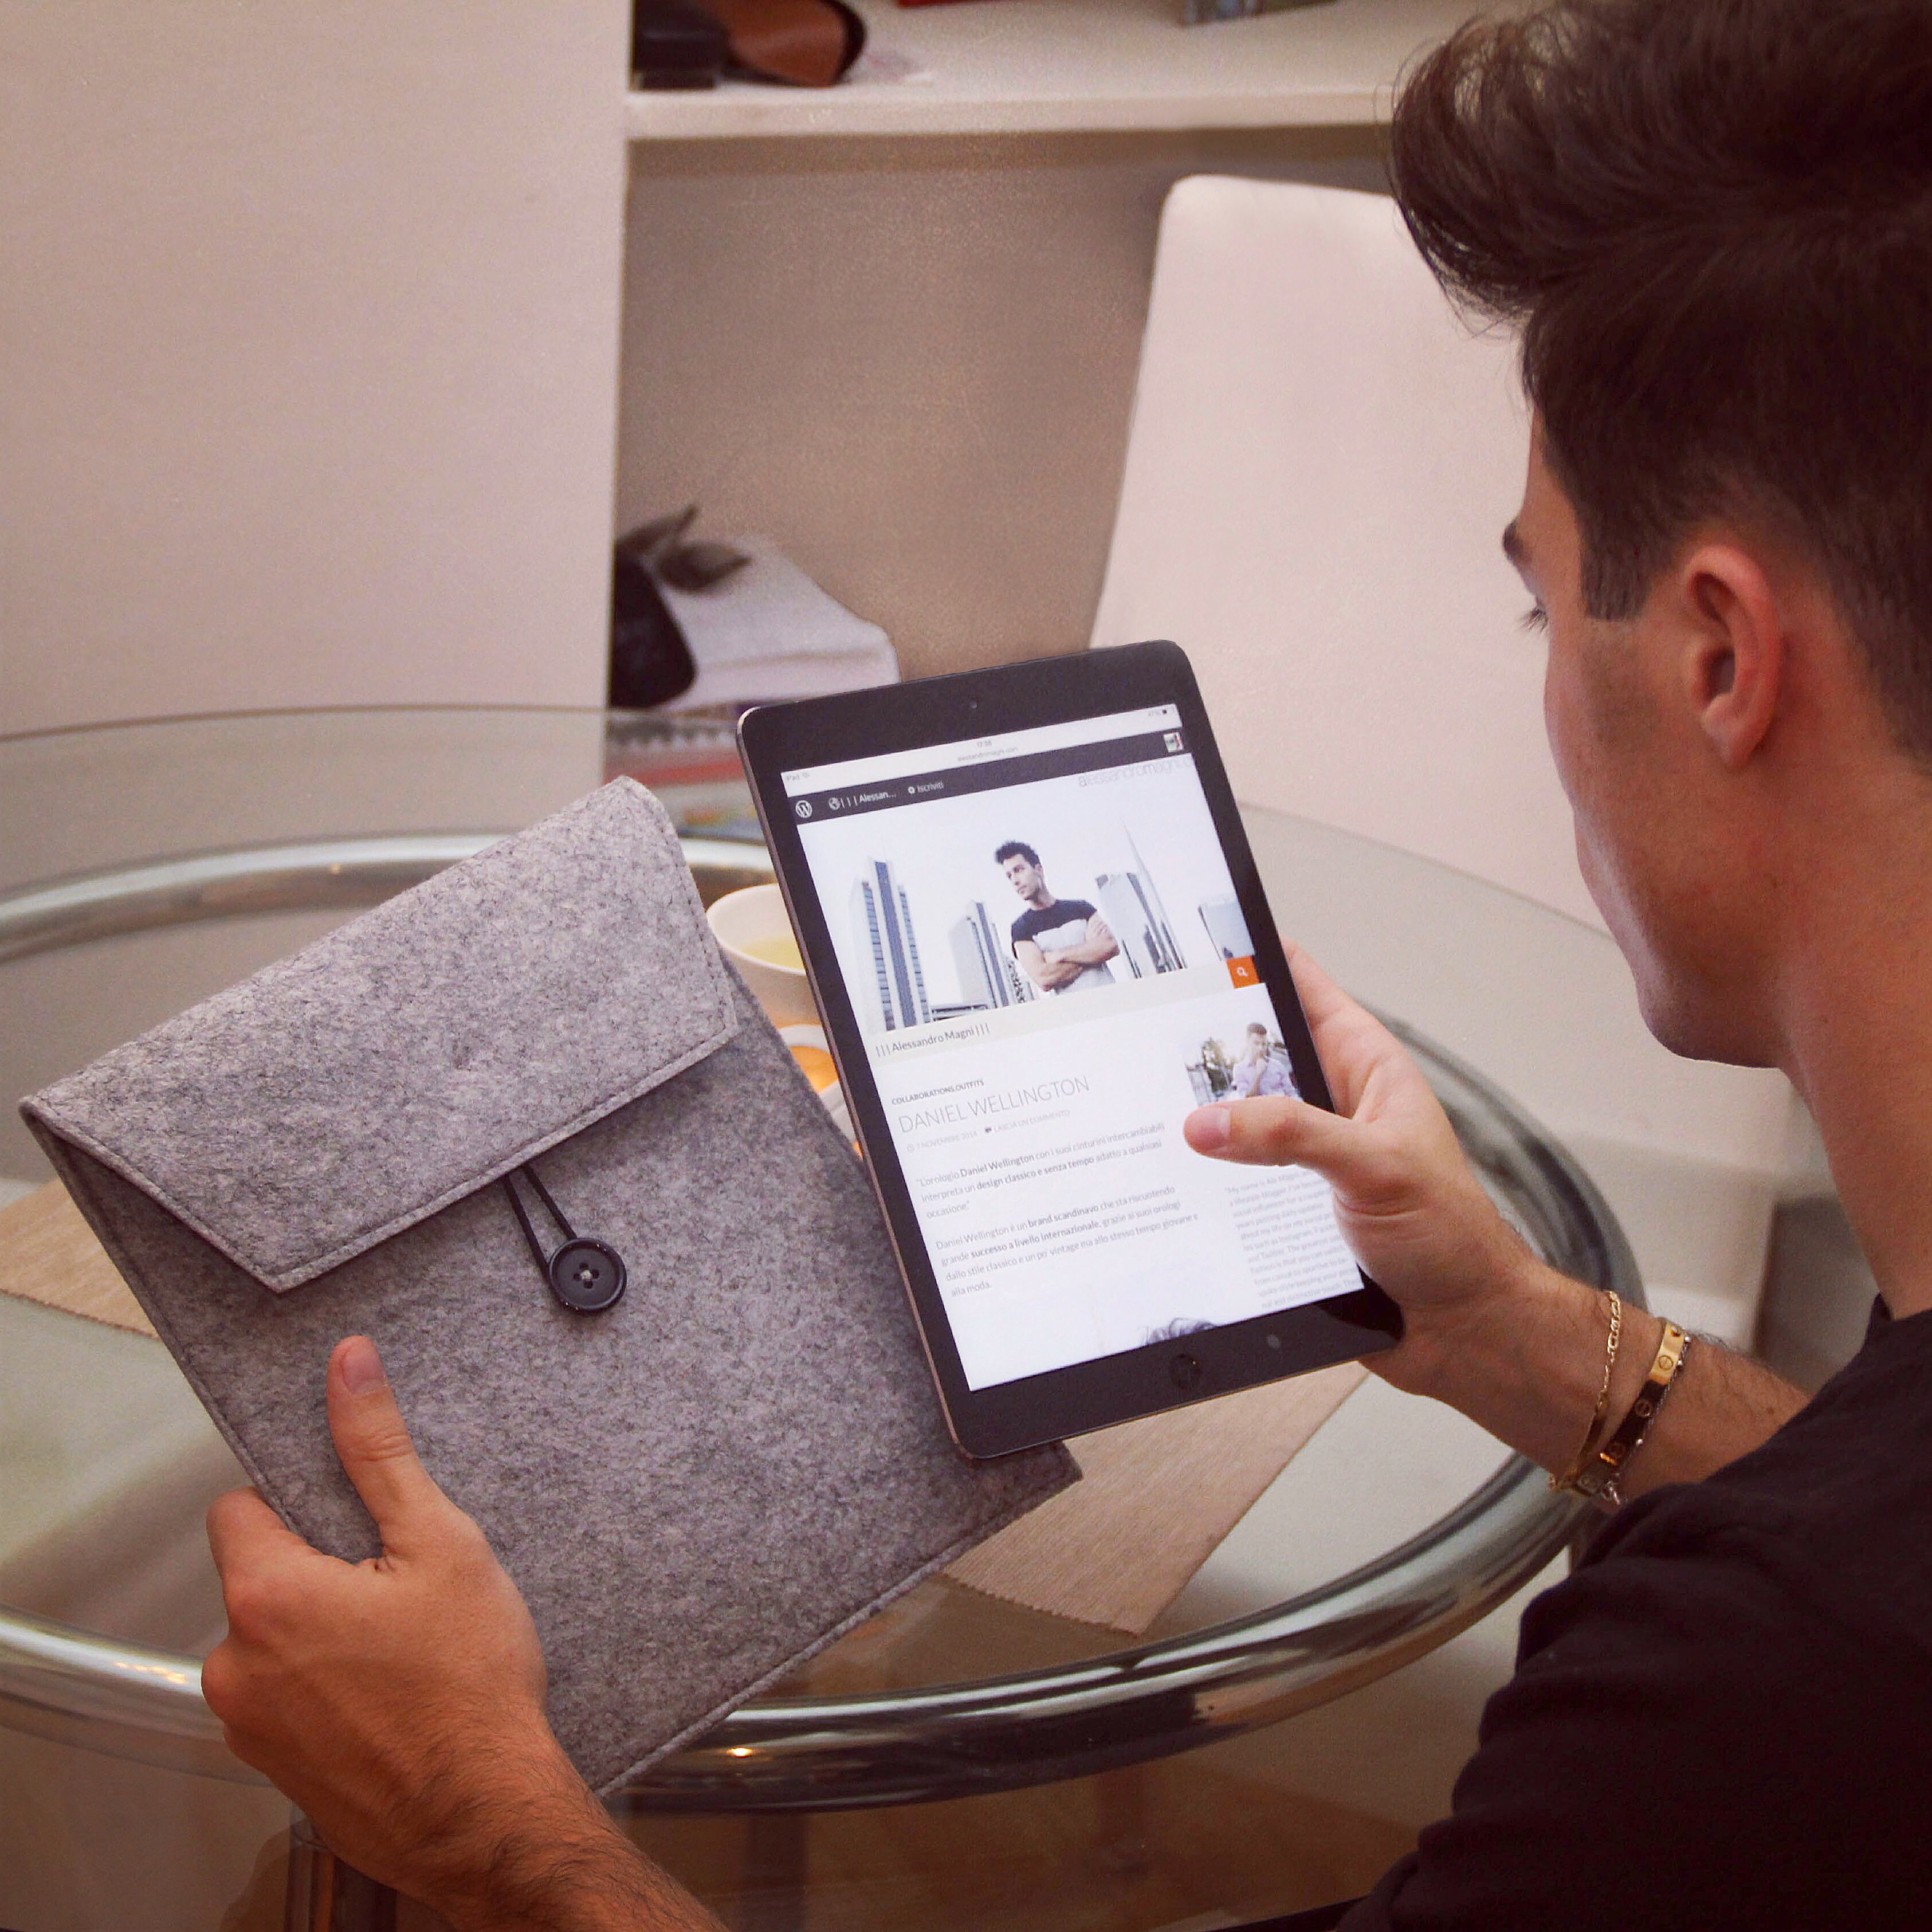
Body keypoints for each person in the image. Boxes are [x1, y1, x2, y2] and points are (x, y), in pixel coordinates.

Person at [201, 1, 1932, 1924]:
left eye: (1540, 601)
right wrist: (1513, 1331)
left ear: (1718, 658)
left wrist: (484, 1822)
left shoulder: (1756, 1697)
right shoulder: (1827, 1611)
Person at [995, 838, 1120, 993]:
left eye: (1019, 870)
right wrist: (1091, 951)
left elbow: (1110, 946)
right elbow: (1044, 978)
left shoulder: (1081, 908)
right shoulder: (1021, 929)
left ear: (1038, 869)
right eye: (1009, 876)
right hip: (1074, 1008)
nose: (1015, 881)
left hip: (1111, 999)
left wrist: (1058, 956)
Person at [1229, 1021, 1296, 1100]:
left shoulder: (1277, 1065)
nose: (1261, 1048)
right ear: (1247, 1042)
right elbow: (1247, 1100)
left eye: (1264, 1044)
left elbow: (1291, 1094)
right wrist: (1258, 1073)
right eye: (1256, 1043)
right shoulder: (1239, 1069)